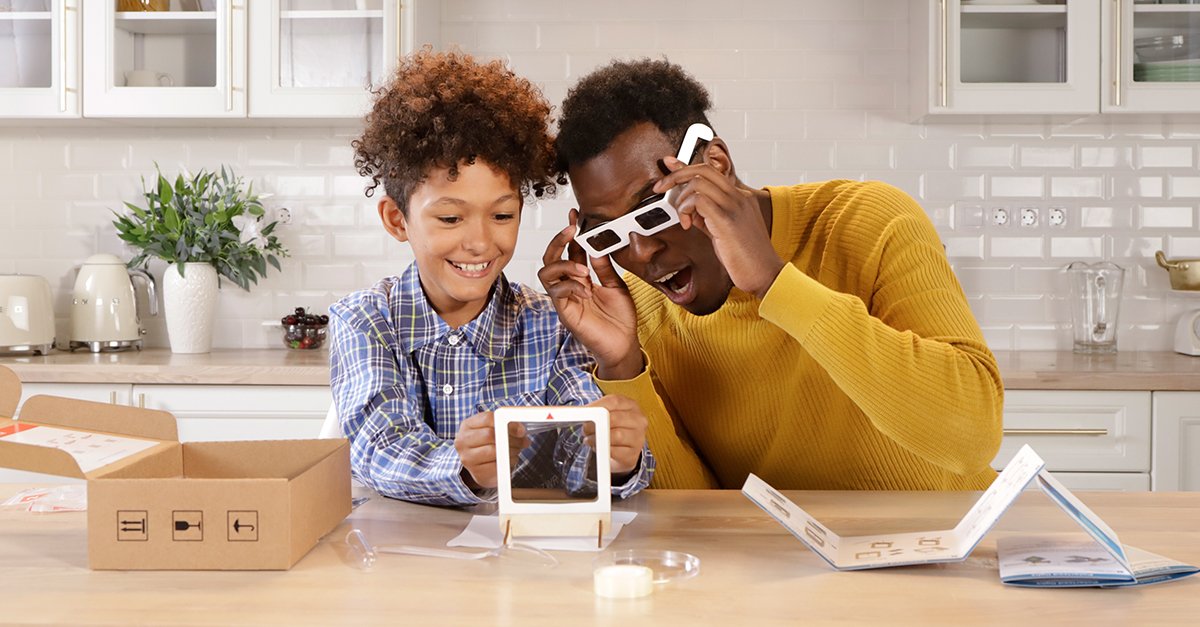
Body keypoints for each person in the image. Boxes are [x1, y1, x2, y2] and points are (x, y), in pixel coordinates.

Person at [539, 58, 1003, 491]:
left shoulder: (869, 220)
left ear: (715, 164)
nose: (641, 253)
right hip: (793, 568)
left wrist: (773, 281)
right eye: (609, 235)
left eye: (654, 210)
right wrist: (623, 366)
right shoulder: (639, 311)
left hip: (954, 551)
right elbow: (691, 511)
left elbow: (973, 439)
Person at [331, 49, 654, 506]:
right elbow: (376, 449)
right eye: (449, 218)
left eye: (502, 215)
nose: (480, 243)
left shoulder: (553, 323)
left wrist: (617, 458)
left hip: (522, 564)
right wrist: (461, 468)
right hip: (398, 565)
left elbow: (580, 466)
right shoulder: (365, 320)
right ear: (397, 220)